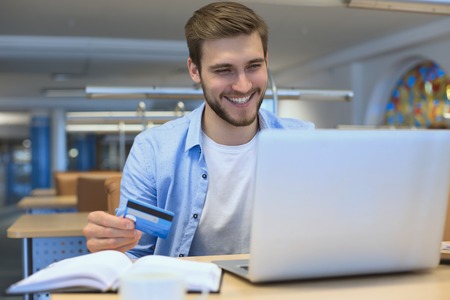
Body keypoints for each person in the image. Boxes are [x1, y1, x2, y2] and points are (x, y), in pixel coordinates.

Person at [82, 1, 314, 258]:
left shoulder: (305, 142)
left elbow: (324, 238)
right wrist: (111, 247)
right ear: (195, 70)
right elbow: (133, 253)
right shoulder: (154, 152)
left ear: (267, 61)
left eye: (253, 66)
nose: (243, 85)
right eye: (224, 70)